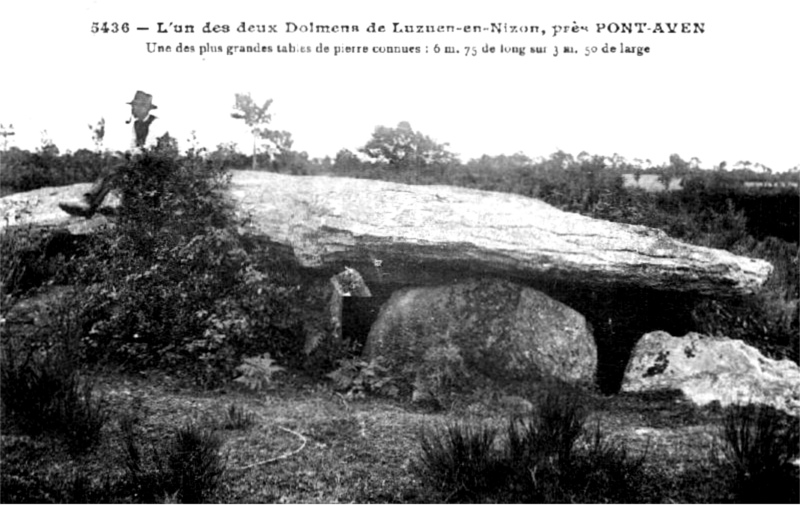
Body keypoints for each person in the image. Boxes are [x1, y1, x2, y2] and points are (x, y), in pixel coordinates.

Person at [59, 90, 166, 217]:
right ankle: (89, 202)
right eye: (133, 105)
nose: (133, 108)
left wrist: (134, 153)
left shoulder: (155, 123)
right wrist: (127, 153)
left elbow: (150, 146)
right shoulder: (135, 124)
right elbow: (132, 145)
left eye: (135, 106)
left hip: (153, 165)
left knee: (118, 165)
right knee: (115, 164)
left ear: (145, 108)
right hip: (139, 161)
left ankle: (90, 202)